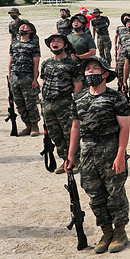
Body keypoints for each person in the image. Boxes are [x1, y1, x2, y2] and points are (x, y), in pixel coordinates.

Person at [67, 58, 130, 254]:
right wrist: (71, 156)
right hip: (88, 151)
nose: (90, 71)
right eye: (87, 69)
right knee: (94, 194)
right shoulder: (78, 98)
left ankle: (120, 232)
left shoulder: (116, 98)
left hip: (110, 147)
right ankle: (106, 231)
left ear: (105, 74)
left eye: (96, 68)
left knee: (115, 193)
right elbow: (76, 127)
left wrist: (120, 155)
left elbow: (124, 127)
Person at [40, 34, 83, 172]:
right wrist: (42, 103)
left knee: (69, 133)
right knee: (55, 134)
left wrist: (76, 104)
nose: (55, 43)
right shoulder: (46, 63)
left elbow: (77, 86)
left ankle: (75, 160)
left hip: (65, 103)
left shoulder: (72, 64)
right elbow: (44, 83)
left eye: (58, 41)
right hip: (48, 103)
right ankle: (65, 159)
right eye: (52, 41)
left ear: (65, 45)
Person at [7, 20, 42, 136]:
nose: (22, 27)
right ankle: (27, 125)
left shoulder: (33, 44)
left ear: (30, 30)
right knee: (19, 103)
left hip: (27, 76)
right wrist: (10, 76)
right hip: (15, 77)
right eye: (21, 26)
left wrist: (35, 79)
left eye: (25, 26)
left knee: (30, 102)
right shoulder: (14, 44)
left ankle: (34, 126)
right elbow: (11, 61)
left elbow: (36, 63)